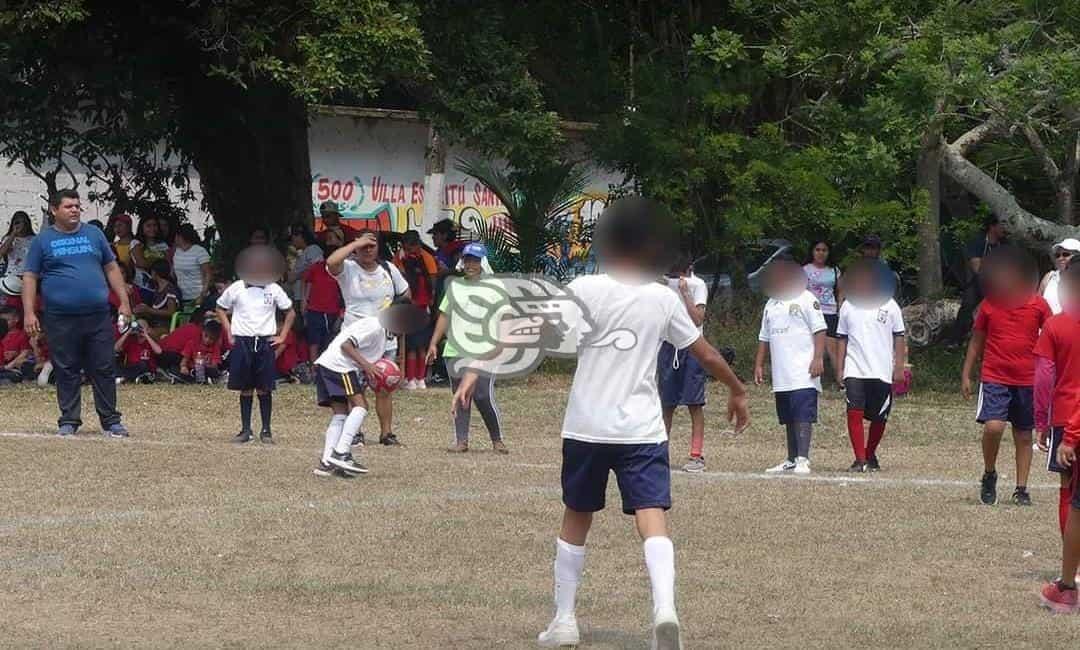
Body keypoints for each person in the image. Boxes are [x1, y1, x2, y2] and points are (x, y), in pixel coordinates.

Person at [452, 197, 750, 650]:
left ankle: (565, 620)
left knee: (577, 517)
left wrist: (475, 367)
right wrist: (737, 389)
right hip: (642, 430)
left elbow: (527, 329)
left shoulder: (587, 289)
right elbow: (704, 352)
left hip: (587, 426)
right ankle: (664, 611)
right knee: (653, 519)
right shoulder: (662, 298)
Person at [22, 189, 131, 437]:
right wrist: (29, 312)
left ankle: (111, 421)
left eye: (77, 206)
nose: (74, 210)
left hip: (98, 314)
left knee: (103, 366)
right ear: (54, 210)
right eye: (68, 206)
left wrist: (124, 302)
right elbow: (30, 277)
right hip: (60, 317)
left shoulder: (94, 234)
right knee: (66, 367)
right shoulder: (43, 241)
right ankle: (69, 421)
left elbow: (111, 267)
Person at [961, 245, 1051, 506]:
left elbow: (1053, 336)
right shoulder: (991, 305)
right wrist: (966, 374)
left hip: (1028, 378)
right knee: (994, 427)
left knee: (1024, 435)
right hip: (995, 375)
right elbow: (977, 341)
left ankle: (1021, 488)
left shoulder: (1038, 303)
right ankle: (989, 473)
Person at [313, 299, 429, 477]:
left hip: (329, 365)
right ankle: (341, 453)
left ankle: (327, 462)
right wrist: (367, 366)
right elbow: (346, 345)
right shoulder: (375, 326)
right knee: (361, 406)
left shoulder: (385, 334)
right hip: (339, 366)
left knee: (341, 414)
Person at [326, 230, 410, 446]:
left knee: (384, 387)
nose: (367, 249)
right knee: (356, 389)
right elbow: (331, 261)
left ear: (378, 248)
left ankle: (386, 433)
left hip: (384, 339)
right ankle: (355, 433)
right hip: (355, 340)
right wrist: (355, 244)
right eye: (363, 246)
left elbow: (406, 294)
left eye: (371, 245)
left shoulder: (388, 269)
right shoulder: (349, 269)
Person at [426, 242, 507, 454]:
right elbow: (444, 316)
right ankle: (461, 441)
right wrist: (434, 343)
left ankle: (497, 439)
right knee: (461, 395)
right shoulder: (455, 286)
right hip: (455, 349)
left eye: (476, 260)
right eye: (468, 260)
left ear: (483, 263)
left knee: (481, 395)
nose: (471, 264)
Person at [216, 246, 295, 444]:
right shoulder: (236, 288)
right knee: (245, 387)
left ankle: (266, 430)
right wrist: (228, 330)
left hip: (265, 341)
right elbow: (220, 308)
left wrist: (282, 336)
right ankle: (245, 429)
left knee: (264, 387)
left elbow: (290, 312)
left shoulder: (273, 289)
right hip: (243, 341)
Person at [755, 259, 826, 474]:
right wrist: (759, 364)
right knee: (788, 415)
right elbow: (763, 337)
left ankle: (803, 458)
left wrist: (818, 358)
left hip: (803, 370)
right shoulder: (771, 303)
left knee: (802, 413)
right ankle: (791, 458)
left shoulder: (806, 298)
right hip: (781, 371)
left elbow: (820, 330)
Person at [836, 258, 907, 473]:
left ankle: (869, 453)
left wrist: (899, 367)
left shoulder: (890, 305)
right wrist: (840, 368)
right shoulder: (848, 305)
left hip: (881, 369)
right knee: (854, 410)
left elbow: (899, 336)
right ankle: (859, 459)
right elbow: (841, 338)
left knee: (879, 417)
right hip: (855, 367)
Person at [1035, 261, 1080, 541]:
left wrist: (1041, 420)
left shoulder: (1055, 325)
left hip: (1065, 416)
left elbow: (1043, 377)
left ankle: (1072, 568)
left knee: (1068, 489)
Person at [657, 253, 710, 472]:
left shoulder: (698, 285)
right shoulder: (662, 285)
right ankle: (660, 454)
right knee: (666, 404)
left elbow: (698, 318)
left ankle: (696, 456)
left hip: (693, 346)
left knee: (694, 403)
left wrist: (685, 293)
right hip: (669, 347)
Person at [395, 229, 438, 389]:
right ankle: (415, 379)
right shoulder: (419, 258)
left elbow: (432, 283)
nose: (408, 250)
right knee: (416, 345)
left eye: (409, 247)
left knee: (417, 346)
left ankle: (416, 379)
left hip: (418, 307)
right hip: (416, 307)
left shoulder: (424, 258)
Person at [953, 215, 1007, 340]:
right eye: (1002, 224)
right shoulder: (978, 242)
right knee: (969, 302)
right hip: (977, 281)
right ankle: (955, 338)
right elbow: (977, 268)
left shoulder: (1004, 244)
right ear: (992, 226)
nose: (1004, 228)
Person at [803, 239, 842, 378]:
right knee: (810, 346)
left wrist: (840, 307)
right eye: (817, 250)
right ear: (812, 252)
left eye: (824, 250)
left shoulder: (834, 270)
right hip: (811, 312)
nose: (821, 253)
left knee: (832, 347)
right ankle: (809, 375)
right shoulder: (805, 269)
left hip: (830, 311)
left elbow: (840, 291)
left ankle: (841, 380)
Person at [301, 251, 342, 360]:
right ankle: (313, 366)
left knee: (329, 339)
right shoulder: (316, 267)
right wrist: (304, 300)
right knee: (313, 340)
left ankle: (326, 364)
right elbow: (307, 282)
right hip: (314, 309)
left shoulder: (342, 269)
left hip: (333, 310)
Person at [133, 260, 179, 336]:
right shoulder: (157, 288)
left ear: (154, 273)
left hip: (166, 325)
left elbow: (171, 312)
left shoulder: (170, 290)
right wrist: (142, 310)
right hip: (154, 323)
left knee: (147, 333)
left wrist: (149, 310)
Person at [130, 215, 170, 300]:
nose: (152, 228)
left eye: (155, 225)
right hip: (142, 286)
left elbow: (169, 264)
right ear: (142, 228)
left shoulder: (163, 244)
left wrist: (149, 261)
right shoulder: (136, 243)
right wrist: (160, 263)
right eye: (148, 226)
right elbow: (141, 263)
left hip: (162, 287)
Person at [172, 224, 212, 308]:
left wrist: (202, 295)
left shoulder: (200, 251)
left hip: (198, 297)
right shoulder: (176, 251)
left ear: (179, 237)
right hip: (182, 297)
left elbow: (208, 274)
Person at [0, 210, 35, 302]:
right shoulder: (8, 238)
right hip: (10, 277)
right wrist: (13, 234)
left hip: (27, 277)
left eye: (23, 222)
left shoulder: (34, 239)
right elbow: (2, 253)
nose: (21, 225)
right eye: (17, 222)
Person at [1039, 238, 1080, 315]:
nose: (1060, 258)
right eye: (1057, 255)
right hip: (1047, 325)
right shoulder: (1049, 277)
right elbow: (1036, 305)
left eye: (1066, 254)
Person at [114, 319, 161, 384]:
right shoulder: (131, 339)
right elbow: (116, 348)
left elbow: (159, 351)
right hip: (131, 368)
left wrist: (146, 335)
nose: (139, 329)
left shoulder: (150, 341)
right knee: (115, 365)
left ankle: (125, 378)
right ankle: (130, 378)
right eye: (138, 327)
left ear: (147, 329)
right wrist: (128, 332)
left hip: (146, 368)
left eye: (142, 327)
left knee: (142, 365)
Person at [179, 319, 225, 384]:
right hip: (192, 369)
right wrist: (183, 367)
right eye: (206, 336)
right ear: (202, 332)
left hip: (206, 369)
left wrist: (205, 365)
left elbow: (215, 365)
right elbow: (184, 360)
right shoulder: (192, 343)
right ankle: (197, 379)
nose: (207, 340)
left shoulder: (215, 347)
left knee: (213, 372)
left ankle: (204, 379)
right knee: (180, 370)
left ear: (216, 339)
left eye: (211, 338)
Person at [287, 223, 324, 300]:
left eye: (292, 238)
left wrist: (297, 275)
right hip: (299, 296)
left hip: (308, 297)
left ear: (300, 236)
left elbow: (318, 268)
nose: (291, 242)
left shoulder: (313, 249)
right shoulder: (304, 252)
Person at [0, 305, 32, 382]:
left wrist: (9, 365)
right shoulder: (1, 334)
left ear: (16, 319)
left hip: (13, 367)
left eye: (6, 320)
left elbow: (25, 352)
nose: (3, 323)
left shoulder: (22, 335)